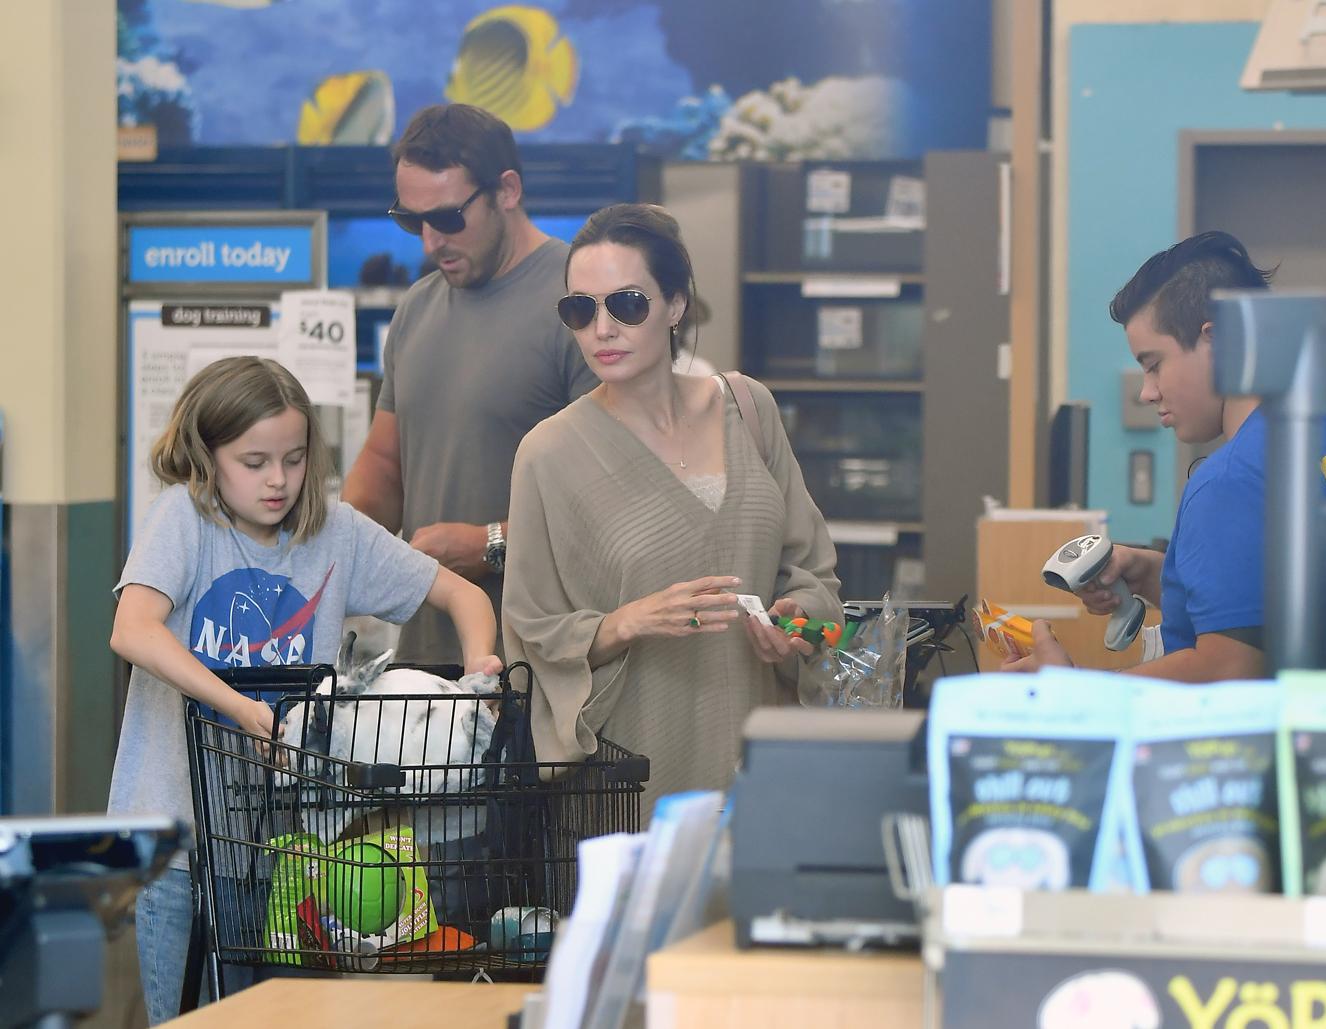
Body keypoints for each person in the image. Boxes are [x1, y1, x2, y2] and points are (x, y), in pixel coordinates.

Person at [107, 357, 502, 1024]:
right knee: (187, 1014)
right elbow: (133, 629)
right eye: (253, 460)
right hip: (179, 837)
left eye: (293, 459)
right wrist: (237, 704)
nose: (278, 480)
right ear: (207, 454)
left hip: (290, 847)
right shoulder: (182, 517)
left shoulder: (335, 532)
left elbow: (460, 594)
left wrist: (481, 672)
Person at [501, 203, 843, 808]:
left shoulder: (748, 408)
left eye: (627, 304)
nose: (603, 329)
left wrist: (796, 624)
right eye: (581, 310)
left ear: (676, 305)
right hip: (633, 784)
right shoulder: (547, 454)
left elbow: (813, 575)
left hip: (762, 768)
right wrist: (623, 623)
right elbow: (531, 635)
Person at [1007, 231, 1326, 681]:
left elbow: (1229, 668)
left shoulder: (1230, 480)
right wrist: (1161, 576)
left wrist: (1075, 691)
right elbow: (1286, 608)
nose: (1147, 391)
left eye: (1153, 364)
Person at [342, 103, 598, 662]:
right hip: (429, 663)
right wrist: (325, 547)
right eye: (413, 222)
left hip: (547, 665)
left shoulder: (583, 307)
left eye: (449, 218)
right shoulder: (417, 308)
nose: (430, 242)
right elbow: (385, 466)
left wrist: (492, 544)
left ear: (507, 190)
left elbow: (616, 500)